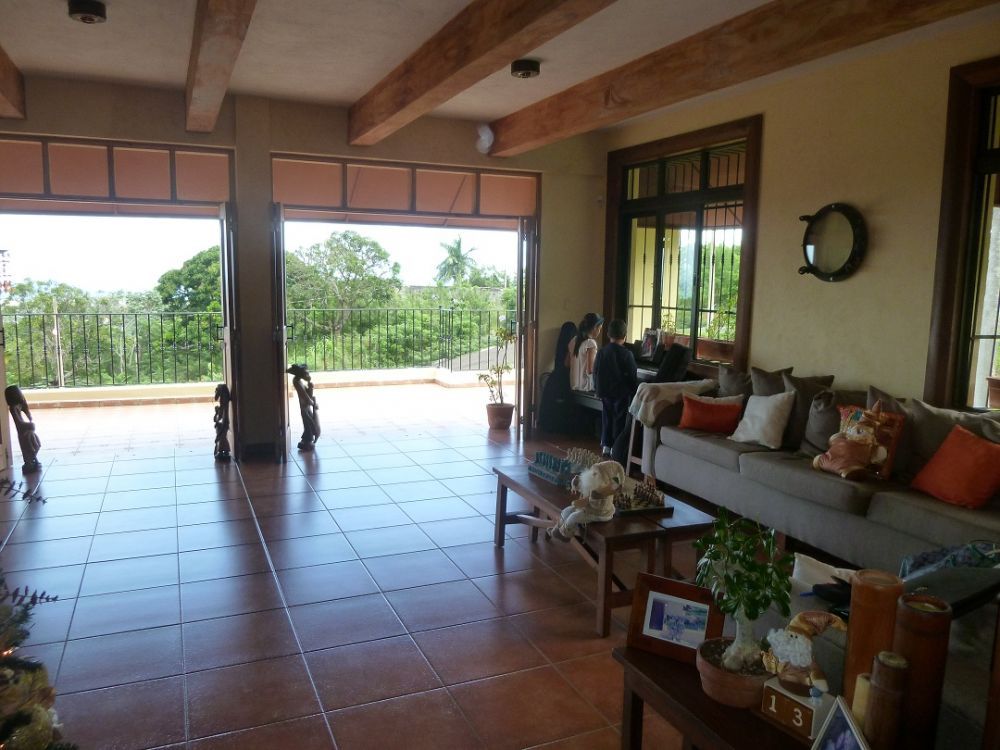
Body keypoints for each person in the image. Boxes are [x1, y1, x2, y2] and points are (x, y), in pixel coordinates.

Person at [594, 319, 638, 457]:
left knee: (607, 417)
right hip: (621, 393)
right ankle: (616, 447)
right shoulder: (627, 354)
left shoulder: (602, 352)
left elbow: (596, 372)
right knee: (620, 419)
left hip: (605, 392)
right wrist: (634, 391)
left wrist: (597, 390)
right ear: (625, 336)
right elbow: (632, 375)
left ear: (608, 334)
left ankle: (606, 445)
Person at [567, 312, 603, 392]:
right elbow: (590, 370)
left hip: (573, 386)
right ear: (595, 328)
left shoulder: (573, 340)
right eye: (600, 328)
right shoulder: (591, 343)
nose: (599, 331)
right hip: (586, 387)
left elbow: (567, 363)